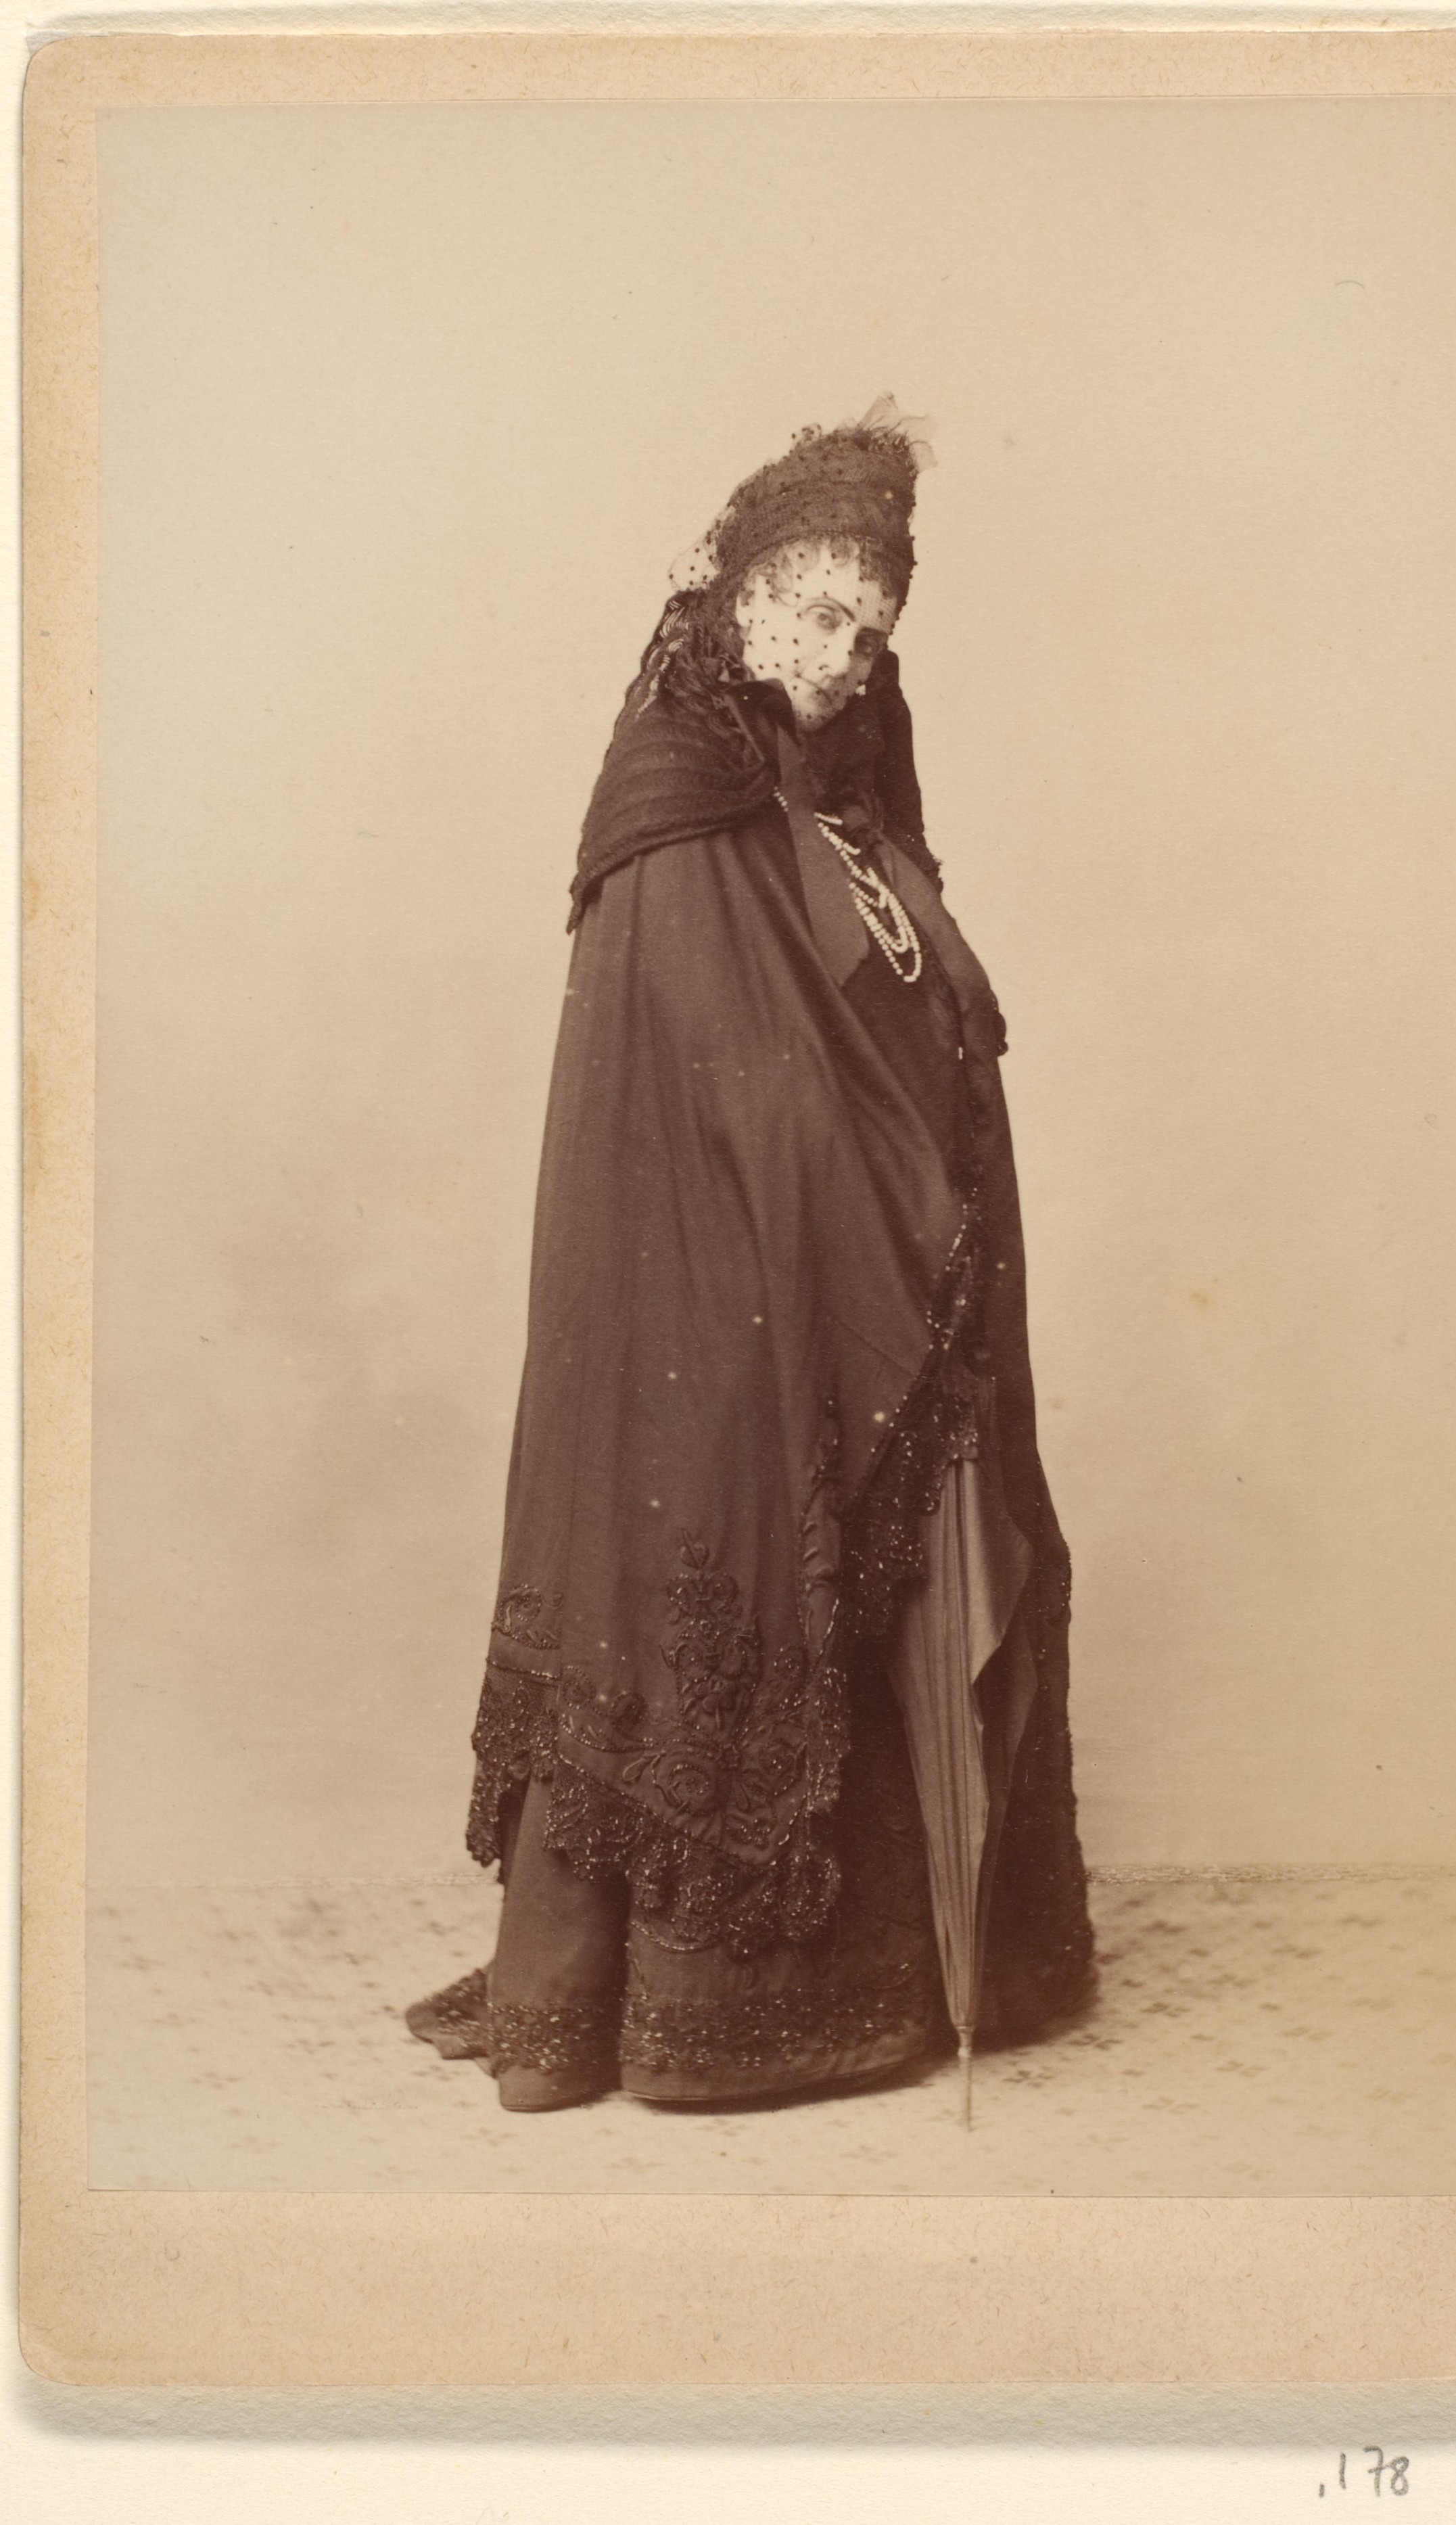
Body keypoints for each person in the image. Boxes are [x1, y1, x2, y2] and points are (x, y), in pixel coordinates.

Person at [407, 398, 1092, 2112]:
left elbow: (913, 1021)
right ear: (738, 593)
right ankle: (688, 2008)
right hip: (716, 1302)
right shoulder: (675, 801)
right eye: (818, 610)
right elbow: (737, 1086)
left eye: (871, 626)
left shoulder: (848, 810)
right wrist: (885, 1215)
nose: (845, 654)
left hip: (862, 1284)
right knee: (734, 1553)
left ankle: (903, 1976)